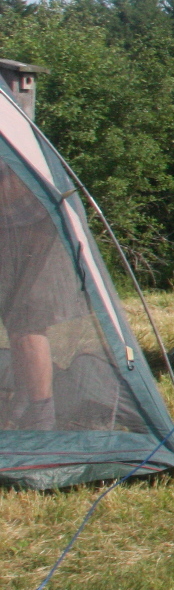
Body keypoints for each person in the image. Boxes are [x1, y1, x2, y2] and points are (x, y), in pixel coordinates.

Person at [0, 164, 58, 431]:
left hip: (33, 224)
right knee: (17, 322)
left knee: (27, 321)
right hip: (12, 224)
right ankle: (24, 402)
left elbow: (18, 181)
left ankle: (42, 419)